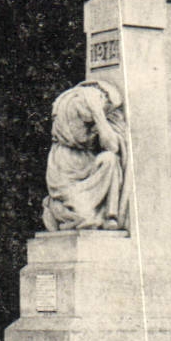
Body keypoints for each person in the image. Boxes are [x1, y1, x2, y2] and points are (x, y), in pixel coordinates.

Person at [42, 79, 128, 231]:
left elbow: (112, 146)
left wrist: (98, 114)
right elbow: (74, 135)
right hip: (68, 173)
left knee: (110, 159)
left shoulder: (98, 116)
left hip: (89, 165)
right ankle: (56, 207)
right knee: (85, 219)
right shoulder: (70, 108)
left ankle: (111, 215)